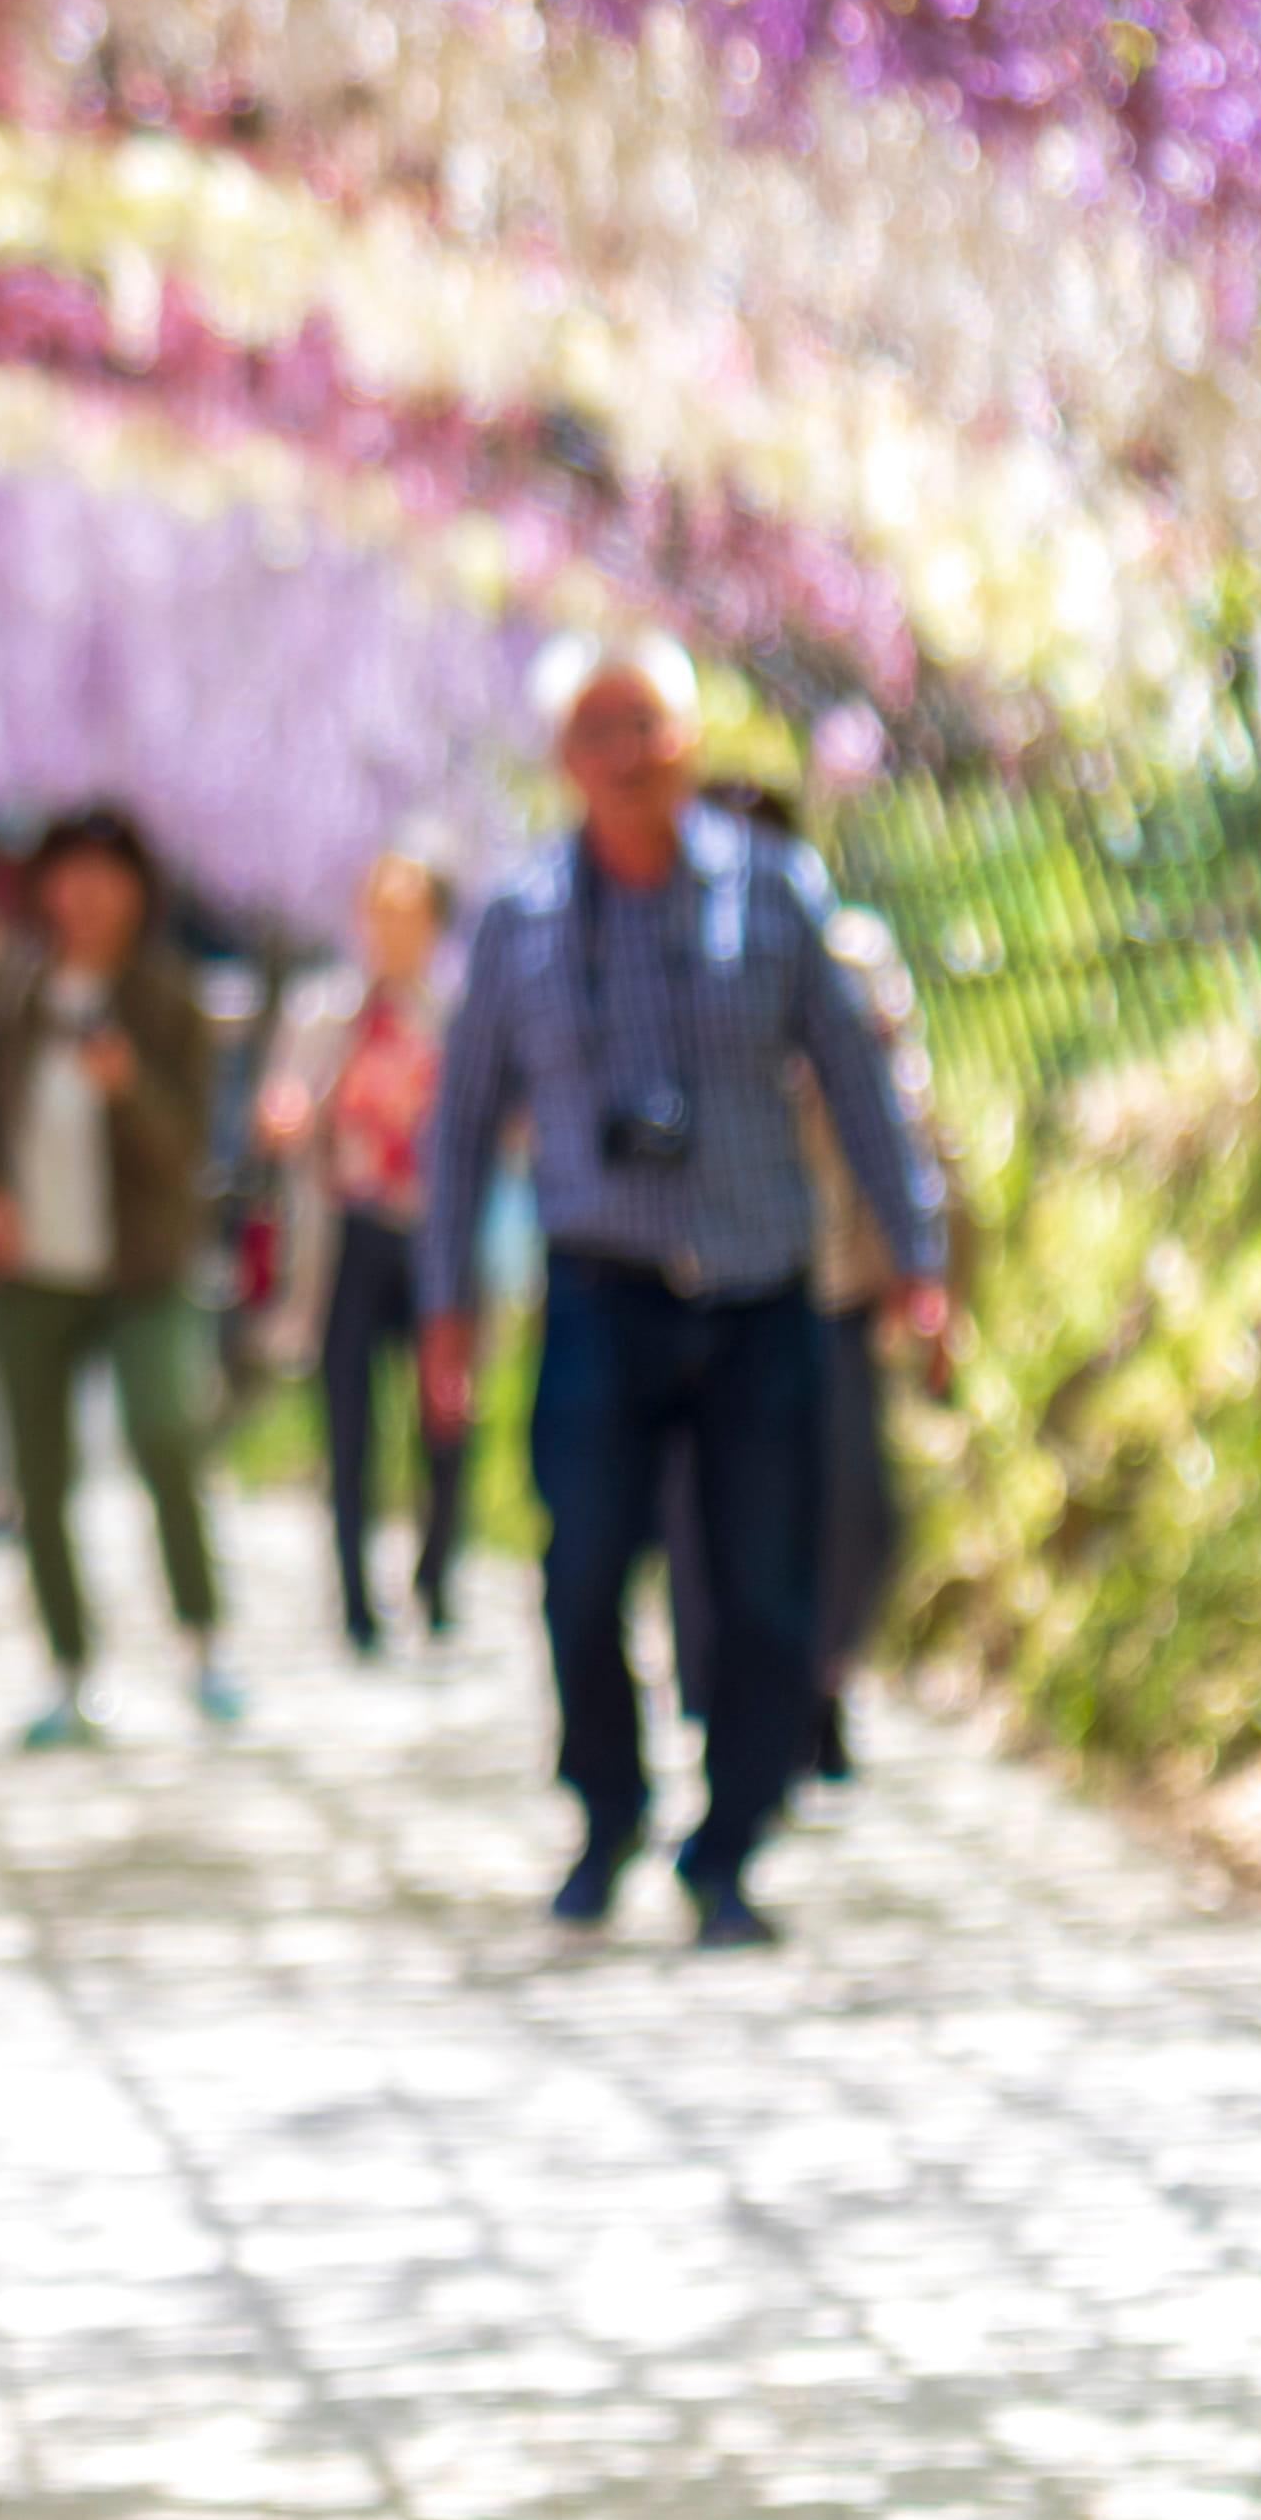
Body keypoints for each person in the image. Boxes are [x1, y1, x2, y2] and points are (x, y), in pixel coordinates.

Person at [420, 636, 954, 1952]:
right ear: (563, 761)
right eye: (596, 732)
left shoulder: (774, 895)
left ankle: (730, 1846)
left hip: (760, 1291)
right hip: (601, 1291)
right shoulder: (522, 921)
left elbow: (859, 1088)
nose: (625, 757)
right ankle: (606, 1813)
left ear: (689, 745)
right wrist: (448, 1307)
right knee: (584, 1566)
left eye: (646, 728)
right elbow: (461, 1121)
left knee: (765, 1580)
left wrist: (917, 1258)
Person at [668, 778, 953, 1783]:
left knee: (848, 1500)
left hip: (825, 1269)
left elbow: (899, 1107)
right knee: (708, 1505)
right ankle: (732, 1706)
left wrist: (915, 1258)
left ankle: (819, 1676)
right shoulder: (670, 956)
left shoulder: (848, 955)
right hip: (701, 1275)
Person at [0, 807, 237, 1749]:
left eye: (105, 876)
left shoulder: (165, 997)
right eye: (68, 874)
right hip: (32, 1269)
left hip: (141, 1264)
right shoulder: (10, 991)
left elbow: (188, 1143)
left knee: (163, 1433)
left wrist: (126, 1086)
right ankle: (69, 1666)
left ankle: (202, 1641)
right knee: (39, 1470)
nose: (84, 895)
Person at [258, 848, 466, 1657]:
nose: (391, 930)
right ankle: (354, 1602)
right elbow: (279, 1108)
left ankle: (435, 1577)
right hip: (346, 1233)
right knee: (350, 1421)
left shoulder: (454, 1013)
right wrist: (288, 1115)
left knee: (443, 1411)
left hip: (432, 1235)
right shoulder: (325, 1012)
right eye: (379, 912)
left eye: (407, 913)